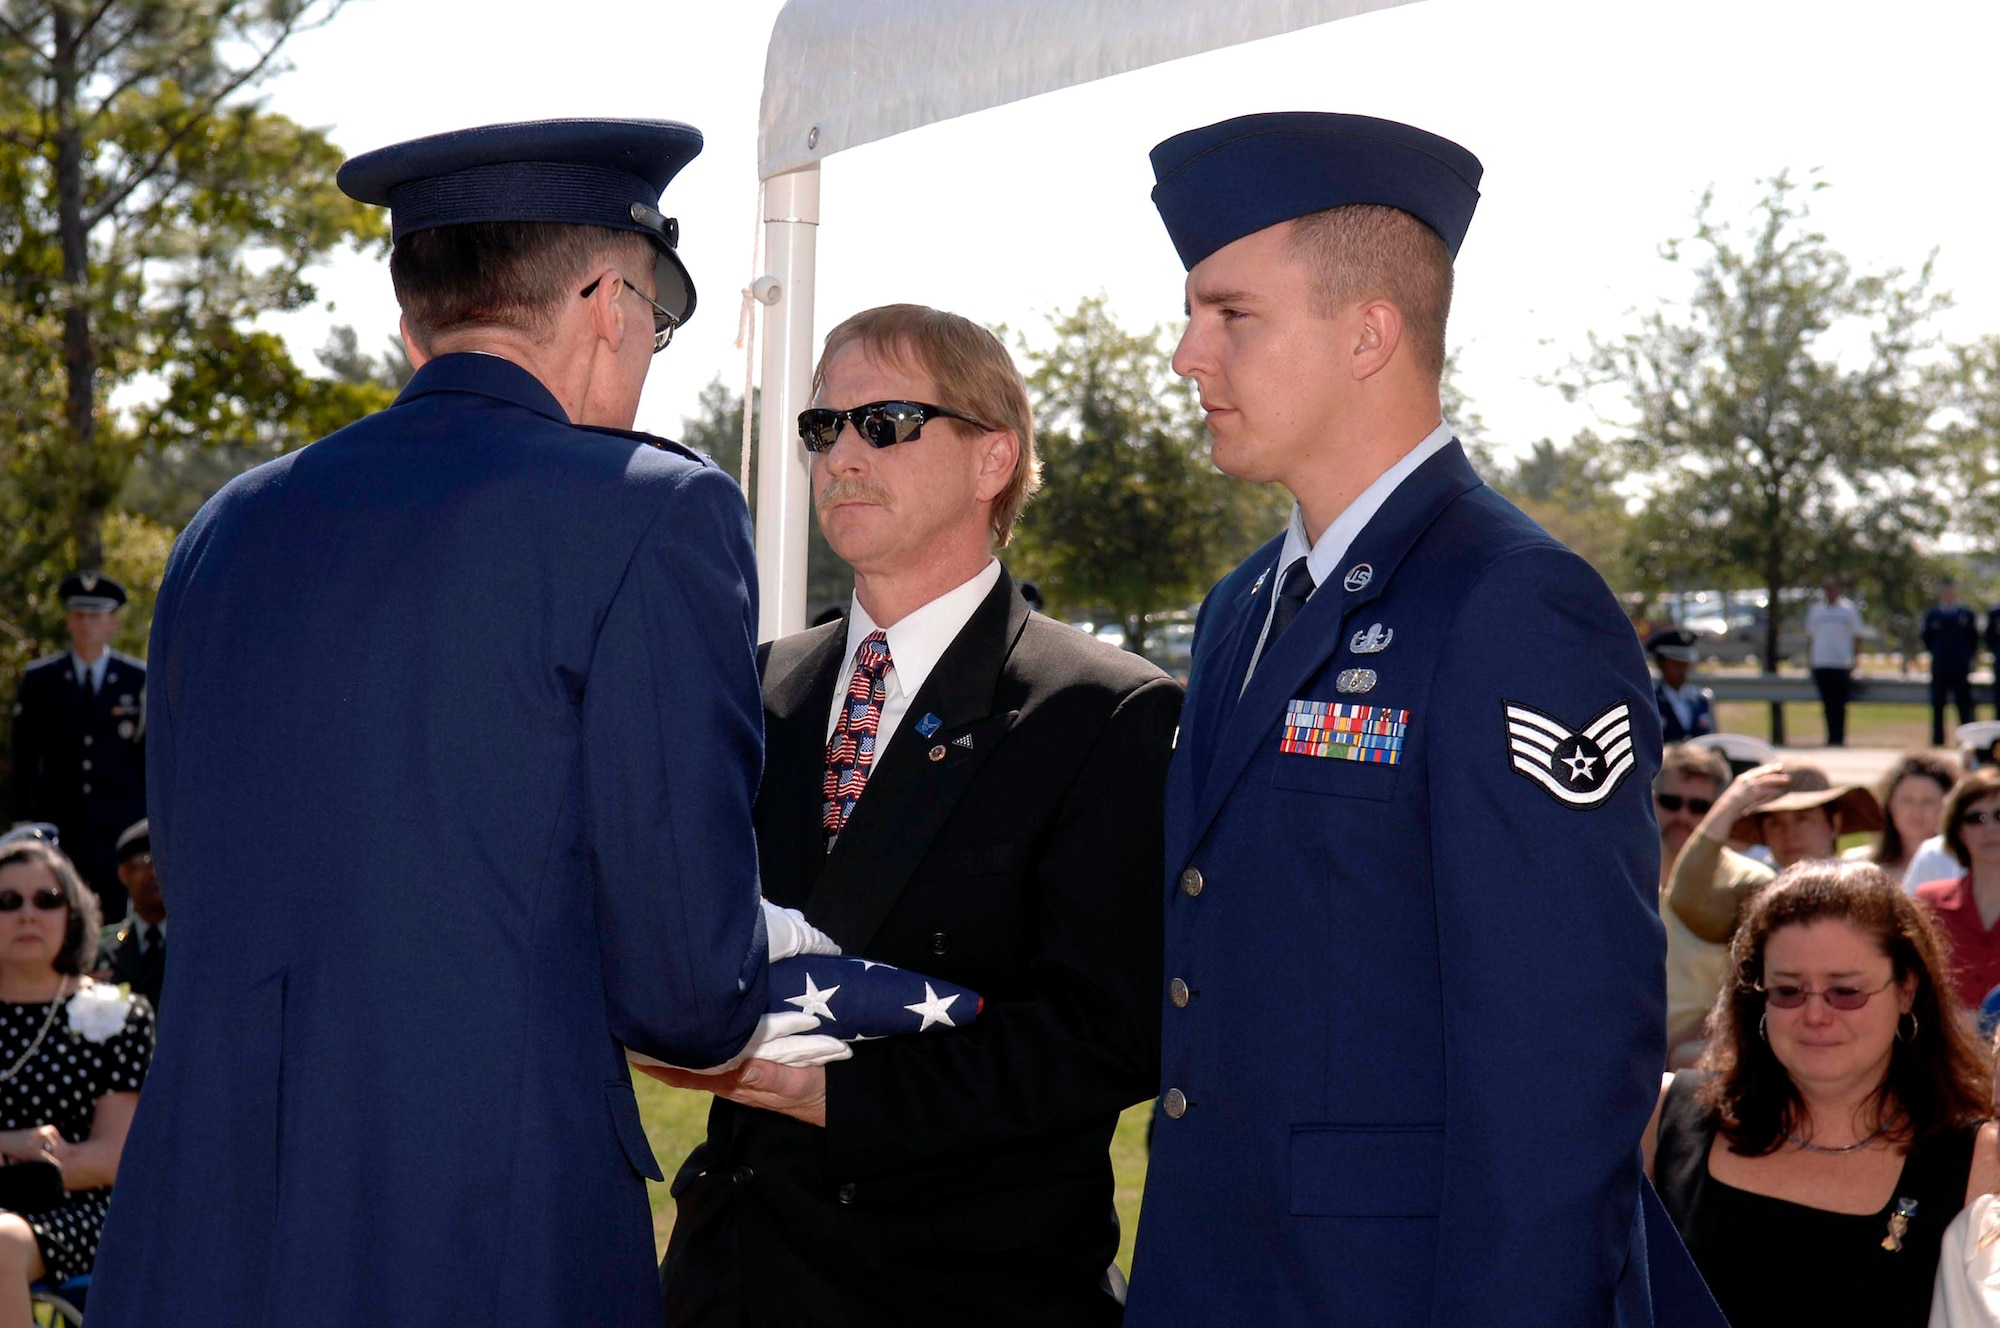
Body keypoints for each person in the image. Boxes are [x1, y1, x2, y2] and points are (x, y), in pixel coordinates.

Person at [89, 120, 800, 1328]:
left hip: (203, 1236)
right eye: (654, 324)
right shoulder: (651, 510)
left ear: (418, 324)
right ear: (605, 300)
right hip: (478, 1234)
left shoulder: (223, 530)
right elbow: (688, 980)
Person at [1121, 112, 1720, 1327]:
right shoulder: (1243, 604)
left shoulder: (1512, 603)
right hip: (1222, 1274)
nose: (1186, 353)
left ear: (1367, 333)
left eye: (1229, 313)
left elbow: (1561, 1064)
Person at [653, 305, 1181, 1326]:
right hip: (737, 1277)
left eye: (884, 420)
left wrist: (837, 1099)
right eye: (821, 427)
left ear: (993, 458)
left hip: (959, 1288)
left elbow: (1108, 1033)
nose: (841, 454)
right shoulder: (759, 686)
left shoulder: (1101, 708)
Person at [1644, 860, 2000, 1326]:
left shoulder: (1980, 1163)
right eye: (1788, 991)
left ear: (1907, 990)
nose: (1815, 1015)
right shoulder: (1662, 1119)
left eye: (1846, 991)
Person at [0, 839, 152, 1328]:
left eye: (46, 899)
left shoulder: (117, 1014)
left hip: (78, 1213)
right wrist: (19, 1145)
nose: (27, 914)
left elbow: (112, 1159)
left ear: (73, 913)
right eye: (7, 902)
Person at [8, 572, 146, 922]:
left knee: (116, 920)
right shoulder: (42, 680)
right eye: (80, 615)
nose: (88, 625)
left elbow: (146, 757)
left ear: (112, 623)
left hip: (119, 828)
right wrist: (23, 823)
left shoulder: (136, 679)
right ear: (69, 620)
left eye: (96, 616)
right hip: (60, 826)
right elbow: (24, 759)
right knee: (60, 916)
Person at [1669, 762, 1883, 946]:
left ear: (1833, 822)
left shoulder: (1869, 894)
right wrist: (1729, 804)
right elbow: (1687, 901)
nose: (1790, 834)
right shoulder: (1755, 901)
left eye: (1802, 819)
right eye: (1774, 824)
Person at [1657, 744, 1734, 1065]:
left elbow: (1741, 992)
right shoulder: (1614, 874)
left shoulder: (1742, 881)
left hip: (1695, 1048)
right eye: (1671, 801)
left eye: (1700, 807)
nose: (1683, 816)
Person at [1914, 770, 2000, 1008]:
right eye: (1976, 818)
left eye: (1999, 815)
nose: (1990, 827)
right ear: (1959, 831)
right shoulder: (1928, 903)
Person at [1847, 753, 1959, 885]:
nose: (1916, 811)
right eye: (1907, 800)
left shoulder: (1958, 868)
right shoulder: (1858, 866)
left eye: (1928, 801)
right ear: (1889, 806)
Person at [94, 820, 164, 1013]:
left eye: (162, 861)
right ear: (123, 873)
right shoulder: (99, 949)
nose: (153, 873)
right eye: (143, 860)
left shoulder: (195, 948)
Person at [1807, 575, 1871, 747]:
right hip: (1821, 662)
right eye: (1828, 589)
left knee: (1840, 703)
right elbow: (1811, 637)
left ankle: (1840, 738)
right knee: (1827, 703)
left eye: (1833, 589)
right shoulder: (1817, 610)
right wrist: (1810, 660)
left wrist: (1856, 661)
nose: (1830, 592)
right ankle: (1830, 737)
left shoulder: (1848, 609)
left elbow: (1858, 636)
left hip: (1841, 663)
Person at [1926, 579, 1981, 746]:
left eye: (1951, 591)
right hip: (1940, 667)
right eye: (1945, 591)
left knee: (1964, 706)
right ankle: (1938, 741)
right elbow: (1927, 639)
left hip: (1960, 667)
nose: (1948, 594)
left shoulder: (1966, 614)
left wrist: (1967, 658)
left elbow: (1974, 639)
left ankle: (1966, 741)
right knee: (1938, 705)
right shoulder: (1933, 615)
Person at [1649, 626, 1716, 742]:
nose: (1682, 671)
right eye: (1676, 665)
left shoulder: (1702, 699)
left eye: (1686, 664)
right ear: (1661, 664)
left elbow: (1713, 740)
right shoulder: (1651, 700)